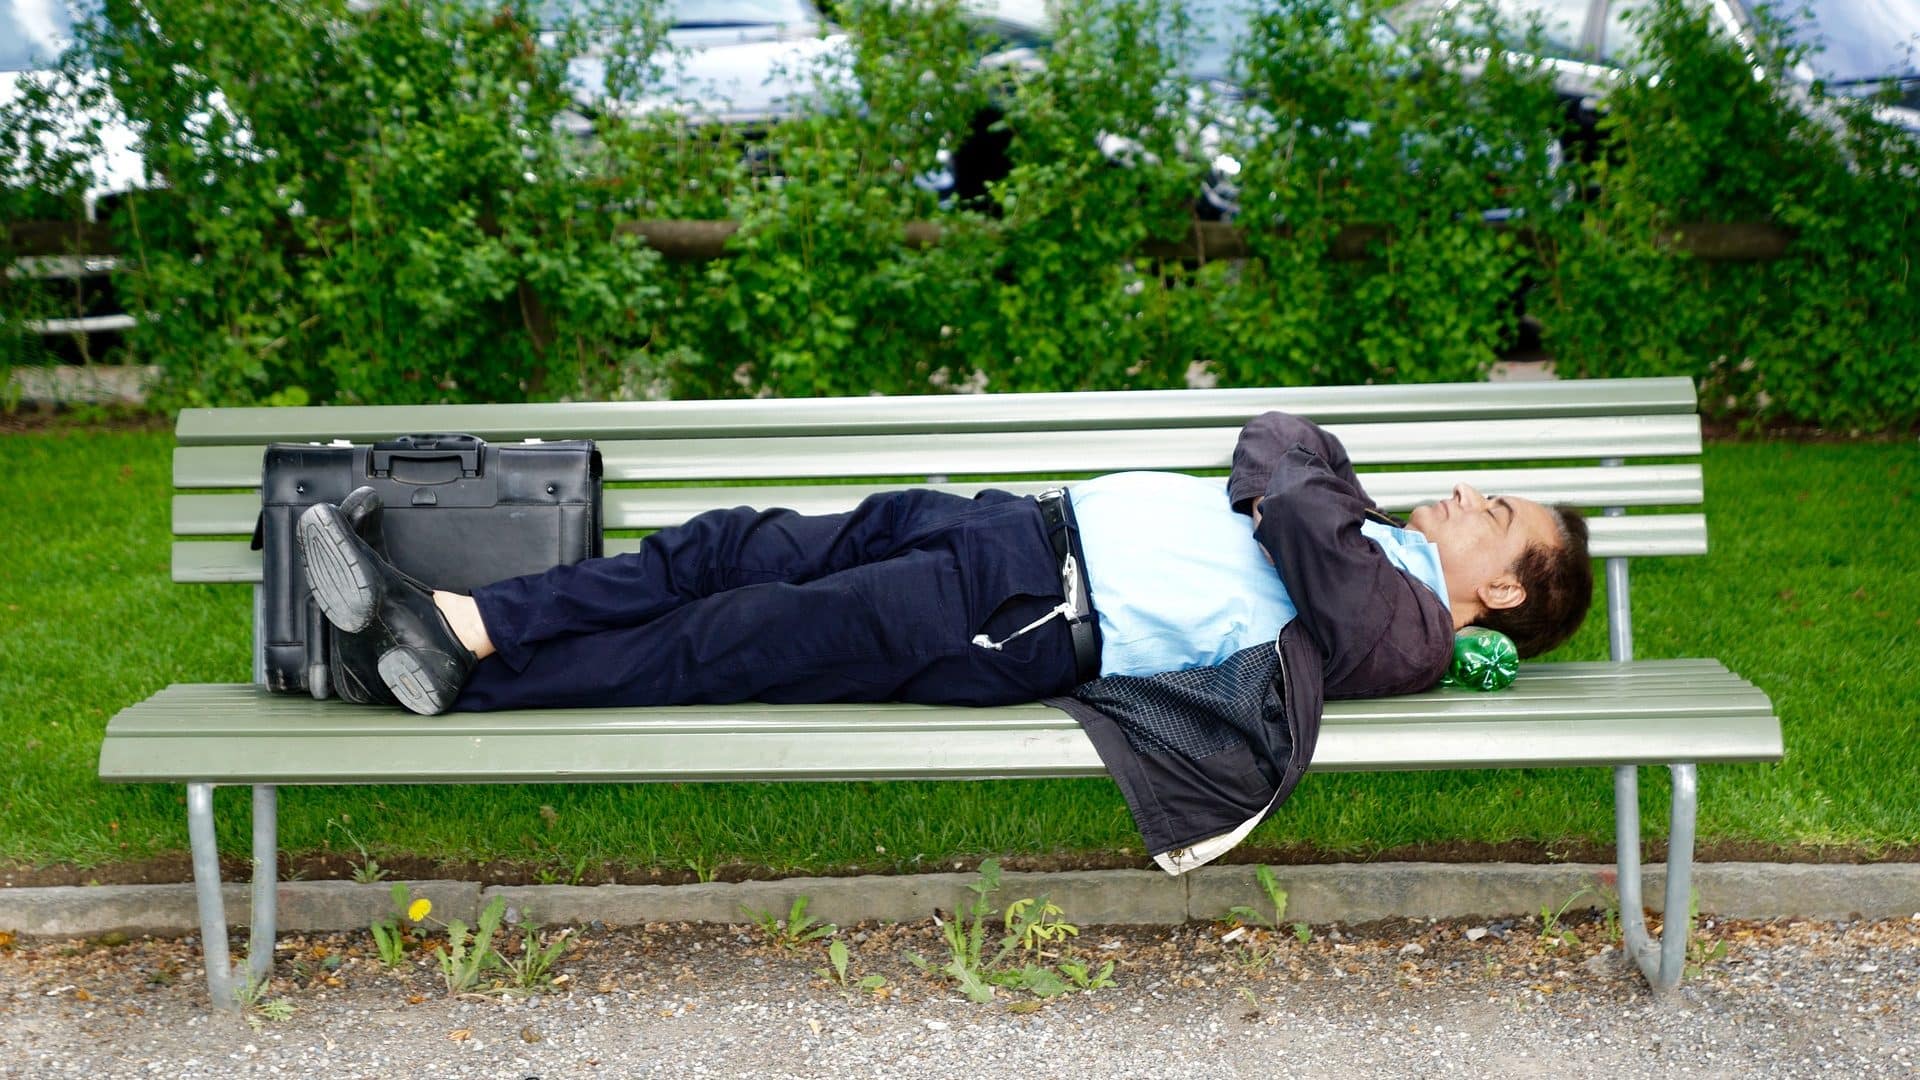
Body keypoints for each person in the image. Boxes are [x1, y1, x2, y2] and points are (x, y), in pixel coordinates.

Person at [298, 411, 1593, 720]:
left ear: (1501, 593)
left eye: (1501, 517)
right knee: (732, 546)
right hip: (1013, 530)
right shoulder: (1365, 536)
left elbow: (1291, 493)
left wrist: (1306, 499)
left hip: (1024, 614)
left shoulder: (1411, 633)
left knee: (737, 634)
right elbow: (1278, 442)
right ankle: (462, 620)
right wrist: (1303, 493)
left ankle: (455, 671)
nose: (1474, 496)